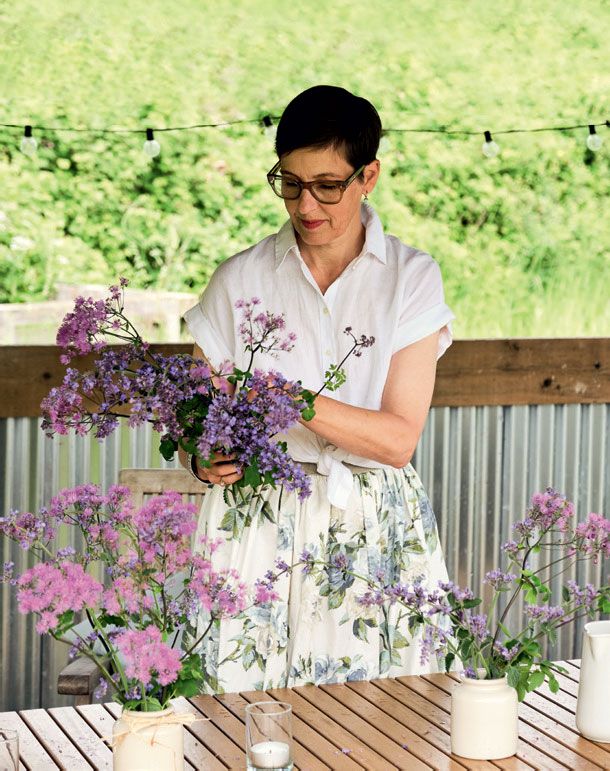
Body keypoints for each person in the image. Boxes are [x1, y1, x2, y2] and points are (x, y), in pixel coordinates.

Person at [181, 84, 454, 691]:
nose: (307, 205)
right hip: (254, 528)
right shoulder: (237, 280)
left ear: (368, 177)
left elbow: (396, 440)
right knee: (235, 715)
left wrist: (289, 398)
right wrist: (202, 458)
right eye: (291, 183)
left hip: (374, 519)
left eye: (328, 185)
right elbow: (195, 426)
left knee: (384, 722)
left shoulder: (411, 278)